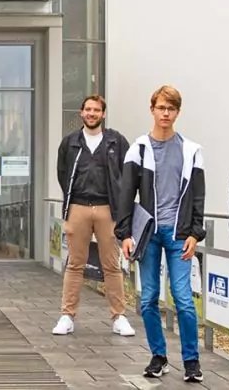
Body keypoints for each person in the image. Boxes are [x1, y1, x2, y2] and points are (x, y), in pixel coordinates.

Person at [116, 86, 206, 382]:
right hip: (148, 234)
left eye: (171, 108)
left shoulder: (191, 150)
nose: (166, 113)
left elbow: (197, 196)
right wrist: (125, 233)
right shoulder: (138, 148)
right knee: (148, 298)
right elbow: (126, 194)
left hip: (179, 233)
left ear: (177, 112)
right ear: (152, 109)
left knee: (182, 298)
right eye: (161, 107)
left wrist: (196, 232)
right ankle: (159, 356)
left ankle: (191, 361)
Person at [53, 95, 136, 337]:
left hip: (107, 209)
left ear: (103, 114)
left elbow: (127, 175)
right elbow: (62, 173)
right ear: (81, 113)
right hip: (77, 207)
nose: (91, 113)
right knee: (74, 264)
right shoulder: (70, 143)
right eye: (87, 109)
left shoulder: (116, 141)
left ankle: (119, 316)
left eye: (96, 110)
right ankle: (67, 315)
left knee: (112, 265)